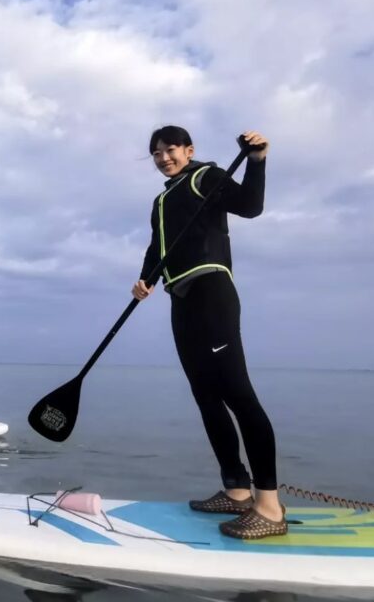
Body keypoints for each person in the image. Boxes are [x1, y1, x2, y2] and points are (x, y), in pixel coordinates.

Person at [132, 126, 286, 539]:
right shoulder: (162, 199)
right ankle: (236, 489)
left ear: (188, 150)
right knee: (206, 396)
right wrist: (145, 279)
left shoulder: (206, 177)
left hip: (211, 290)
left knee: (237, 392)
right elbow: (157, 247)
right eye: (157, 153)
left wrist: (257, 161)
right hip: (179, 298)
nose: (164, 157)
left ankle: (269, 506)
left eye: (170, 150)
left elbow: (251, 206)